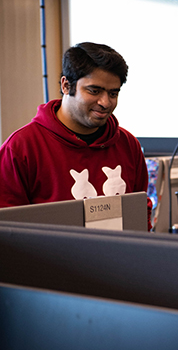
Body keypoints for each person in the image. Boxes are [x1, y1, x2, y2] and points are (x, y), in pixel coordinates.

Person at [0, 42, 151, 228]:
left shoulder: (127, 145)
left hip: (118, 254)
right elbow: (8, 226)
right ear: (66, 85)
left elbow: (140, 211)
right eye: (94, 91)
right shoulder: (21, 148)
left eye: (113, 93)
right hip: (50, 257)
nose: (105, 102)